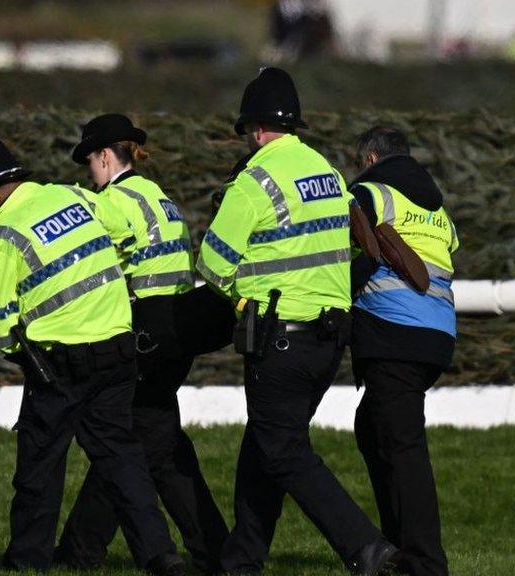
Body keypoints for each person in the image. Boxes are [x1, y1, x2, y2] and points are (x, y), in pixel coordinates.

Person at [196, 67, 397, 575]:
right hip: (329, 342)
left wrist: (244, 293)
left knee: (282, 449)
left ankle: (366, 548)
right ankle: (241, 560)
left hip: (279, 338)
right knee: (263, 444)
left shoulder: (255, 179)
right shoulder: (329, 174)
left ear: (256, 128)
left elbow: (213, 264)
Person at [0, 134, 186, 575]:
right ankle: (161, 556)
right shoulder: (70, 197)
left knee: (38, 473)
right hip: (119, 347)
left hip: (59, 366)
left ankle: (28, 562)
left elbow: (0, 319)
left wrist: (18, 354)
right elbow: (124, 231)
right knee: (122, 462)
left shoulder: (3, 234)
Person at [53, 113, 232, 575]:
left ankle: (81, 551)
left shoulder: (111, 204)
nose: (89, 173)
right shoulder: (159, 196)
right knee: (157, 443)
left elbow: (87, 269)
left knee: (125, 446)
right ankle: (213, 550)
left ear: (107, 157)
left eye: (90, 161)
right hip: (177, 330)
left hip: (145, 334)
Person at [349, 126, 457, 576]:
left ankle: (425, 562)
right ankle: (397, 546)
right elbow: (449, 254)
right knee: (372, 429)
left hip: (394, 331)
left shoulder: (369, 192)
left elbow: (345, 249)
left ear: (371, 158)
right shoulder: (437, 207)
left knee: (405, 447)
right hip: (436, 334)